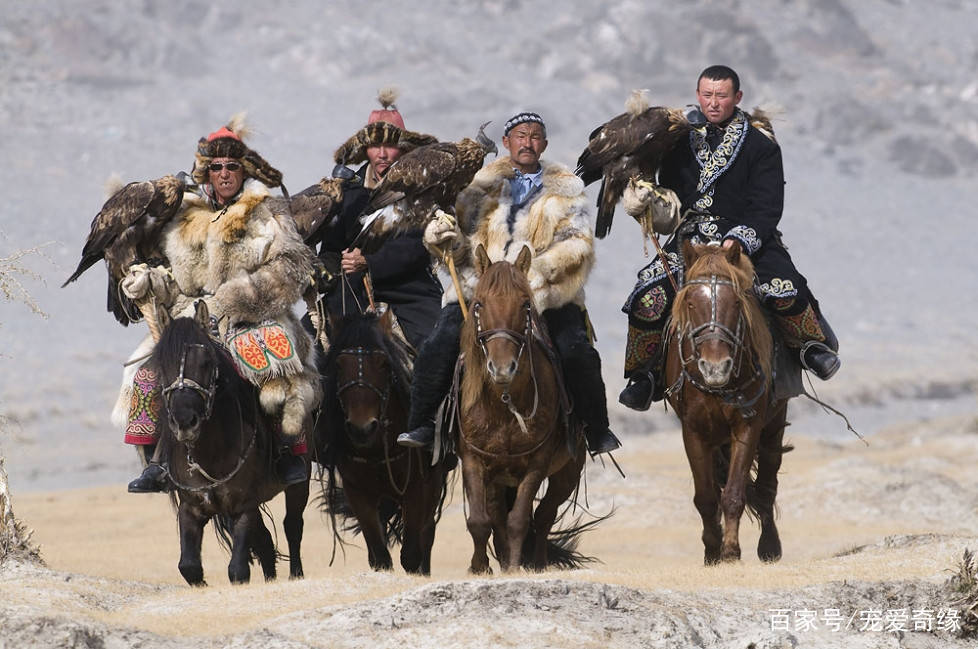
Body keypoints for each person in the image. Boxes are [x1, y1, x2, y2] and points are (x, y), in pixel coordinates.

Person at [618, 65, 840, 411]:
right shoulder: (677, 140)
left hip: (748, 240)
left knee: (784, 289)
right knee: (648, 297)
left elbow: (768, 206)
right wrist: (647, 202)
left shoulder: (759, 145)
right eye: (707, 95)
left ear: (737, 97)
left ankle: (811, 347)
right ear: (697, 96)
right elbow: (670, 199)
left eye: (721, 95)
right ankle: (644, 376)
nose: (714, 102)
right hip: (689, 243)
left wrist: (740, 239)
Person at [397, 112, 620, 455]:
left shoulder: (567, 192)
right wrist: (442, 239)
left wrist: (538, 273)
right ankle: (423, 424)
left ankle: (595, 428)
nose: (527, 142)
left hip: (545, 294)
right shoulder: (476, 189)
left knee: (576, 349)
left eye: (534, 136)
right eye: (520, 135)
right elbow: (461, 247)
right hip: (480, 292)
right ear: (506, 143)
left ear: (543, 144)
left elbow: (578, 244)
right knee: (438, 343)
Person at [118, 116, 321, 492]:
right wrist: (151, 282)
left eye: (232, 167)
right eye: (216, 168)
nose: (225, 174)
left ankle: (288, 453)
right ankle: (158, 464)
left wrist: (235, 298)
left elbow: (291, 267)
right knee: (146, 376)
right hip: (194, 323)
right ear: (207, 173)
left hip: (254, 318)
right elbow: (178, 284)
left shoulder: (268, 212)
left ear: (243, 171)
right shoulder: (185, 219)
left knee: (273, 368)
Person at [308, 89, 442, 351]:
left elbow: (417, 247)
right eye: (375, 146)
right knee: (308, 345)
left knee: (438, 350)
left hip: (409, 290)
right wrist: (324, 269)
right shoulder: (345, 191)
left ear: (403, 148)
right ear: (365, 149)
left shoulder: (423, 188)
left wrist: (368, 262)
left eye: (390, 145)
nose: (382, 154)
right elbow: (334, 248)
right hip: (351, 292)